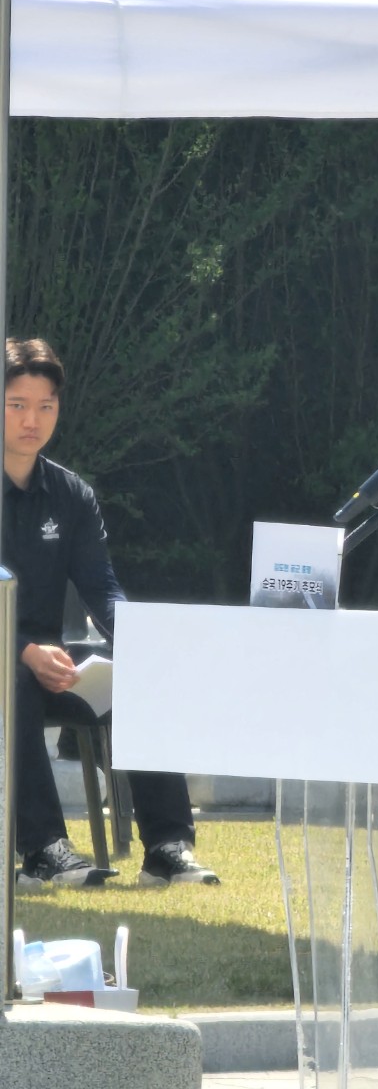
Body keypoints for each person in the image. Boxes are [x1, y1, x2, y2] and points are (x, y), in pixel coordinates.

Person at [5, 337, 220, 889]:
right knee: (13, 680)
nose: (32, 420)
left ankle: (167, 848)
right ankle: (43, 849)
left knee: (139, 671)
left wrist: (144, 640)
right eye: (17, 405)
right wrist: (22, 651)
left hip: (52, 660)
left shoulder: (71, 495)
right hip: (12, 663)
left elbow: (102, 588)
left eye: (45, 405)